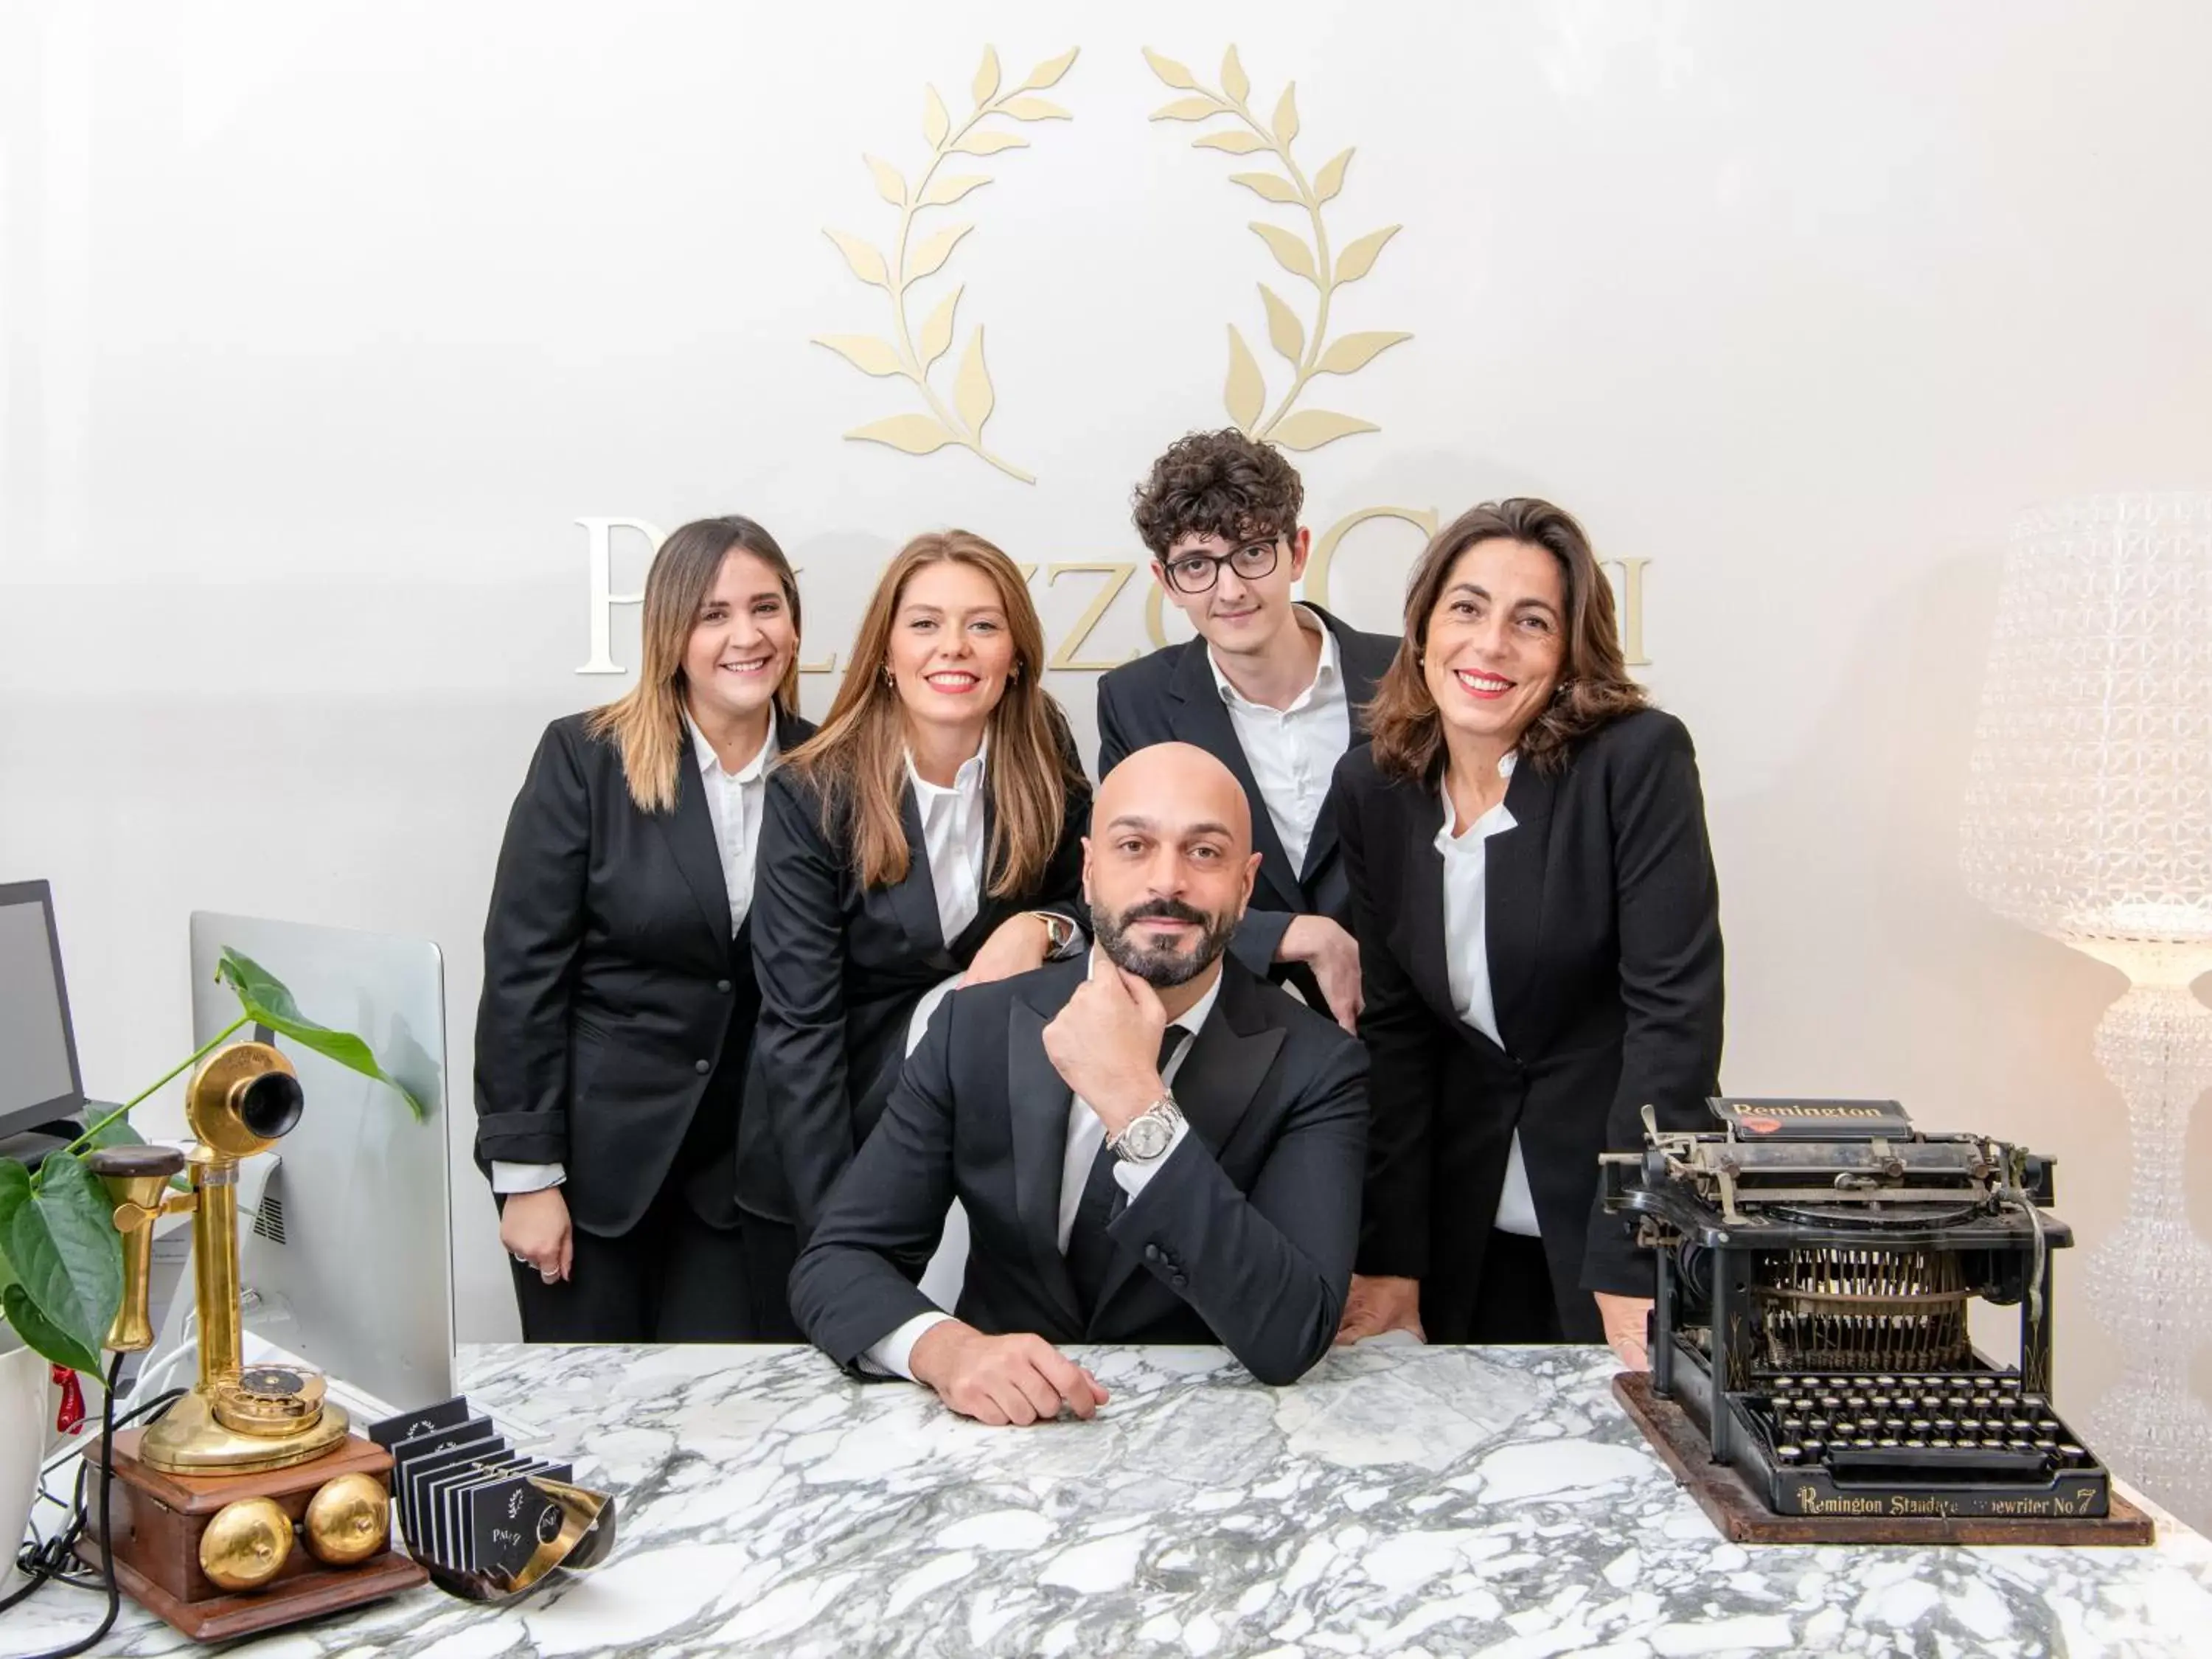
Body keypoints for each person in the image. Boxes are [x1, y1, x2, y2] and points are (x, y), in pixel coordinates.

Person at [787, 742, 1369, 1422]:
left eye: (1204, 853)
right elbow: (839, 1262)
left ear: (1246, 887)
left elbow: (1293, 1334)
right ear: (1089, 871)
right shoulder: (972, 1026)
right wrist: (946, 1351)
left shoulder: (1319, 1066)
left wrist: (1136, 1104)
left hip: (1209, 1437)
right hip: (994, 1442)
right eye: (1134, 846)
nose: (1167, 881)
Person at [1331, 498, 1724, 1364]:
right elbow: (1397, 1032)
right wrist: (1389, 1254)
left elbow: (1674, 1023)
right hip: (1456, 1211)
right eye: (1467, 608)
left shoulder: (1638, 762)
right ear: (1424, 629)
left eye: (1532, 622)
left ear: (1570, 650)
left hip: (1608, 1208)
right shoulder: (1374, 787)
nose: (1491, 645)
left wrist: (1636, 1249)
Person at [473, 516, 815, 1340]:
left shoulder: (827, 767)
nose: (746, 635)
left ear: (795, 623)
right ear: (671, 632)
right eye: (713, 614)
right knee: (581, 1445)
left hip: (744, 1187)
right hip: (592, 1177)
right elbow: (523, 972)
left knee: (728, 1434)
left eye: (765, 607)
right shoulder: (585, 759)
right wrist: (527, 1177)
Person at [742, 531, 1092, 1306]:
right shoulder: (812, 791)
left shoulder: (1044, 751)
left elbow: (1094, 899)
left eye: (983, 624)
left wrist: (1041, 927)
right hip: (849, 1130)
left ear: (1016, 657)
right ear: (885, 654)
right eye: (926, 623)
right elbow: (800, 1027)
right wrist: (842, 1230)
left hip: (998, 1141)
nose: (954, 648)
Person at [1097, 430, 1397, 1033]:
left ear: (1298, 551)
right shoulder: (1135, 701)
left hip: (1406, 1020)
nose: (1230, 590)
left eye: (1253, 553)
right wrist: (1285, 933)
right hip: (1231, 1025)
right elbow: (1128, 881)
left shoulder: (1404, 676)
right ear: (1166, 580)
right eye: (1197, 566)